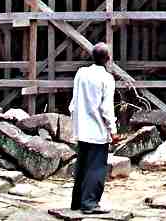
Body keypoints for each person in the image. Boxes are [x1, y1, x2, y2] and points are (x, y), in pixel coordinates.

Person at [69, 42, 118, 214]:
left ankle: (77, 201)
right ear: (108, 59)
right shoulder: (107, 79)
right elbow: (106, 109)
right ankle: (89, 203)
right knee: (96, 168)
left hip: (81, 128)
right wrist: (113, 130)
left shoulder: (81, 73)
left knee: (81, 165)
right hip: (97, 129)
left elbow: (73, 102)